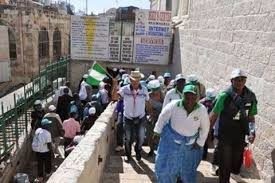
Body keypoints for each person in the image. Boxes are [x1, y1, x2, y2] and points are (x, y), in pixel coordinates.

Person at [209, 69, 258, 183]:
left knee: (236, 162)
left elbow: (251, 117)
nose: (240, 82)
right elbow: (214, 115)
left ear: (245, 80)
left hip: (240, 135)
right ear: (232, 81)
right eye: (237, 79)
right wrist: (207, 133)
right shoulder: (224, 95)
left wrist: (252, 132)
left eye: (242, 79)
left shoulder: (251, 96)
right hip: (225, 135)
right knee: (225, 164)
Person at [154, 85, 210, 183]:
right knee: (167, 168)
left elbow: (205, 128)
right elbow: (163, 117)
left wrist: (200, 143)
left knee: (187, 170)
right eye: (187, 97)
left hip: (190, 145)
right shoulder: (174, 105)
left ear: (197, 98)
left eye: (193, 97)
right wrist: (157, 132)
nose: (190, 100)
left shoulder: (201, 109)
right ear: (183, 96)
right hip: (171, 142)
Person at [118, 70, 150, 162]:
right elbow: (115, 97)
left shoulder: (144, 89)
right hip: (128, 118)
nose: (135, 82)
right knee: (128, 138)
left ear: (140, 80)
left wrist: (150, 113)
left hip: (141, 117)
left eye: (137, 80)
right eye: (133, 80)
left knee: (141, 137)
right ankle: (128, 154)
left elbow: (147, 102)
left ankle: (138, 151)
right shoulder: (124, 89)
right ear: (130, 80)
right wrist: (114, 84)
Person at [146, 80, 163, 157]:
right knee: (150, 134)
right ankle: (151, 149)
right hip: (151, 117)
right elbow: (147, 107)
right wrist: (151, 113)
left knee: (160, 135)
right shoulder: (148, 96)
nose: (155, 91)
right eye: (153, 89)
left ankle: (160, 149)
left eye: (156, 89)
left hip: (161, 117)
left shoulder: (163, 95)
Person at [199, 88, 216, 160]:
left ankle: (204, 155)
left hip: (210, 124)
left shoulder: (215, 103)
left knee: (206, 140)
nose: (210, 101)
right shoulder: (201, 103)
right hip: (201, 123)